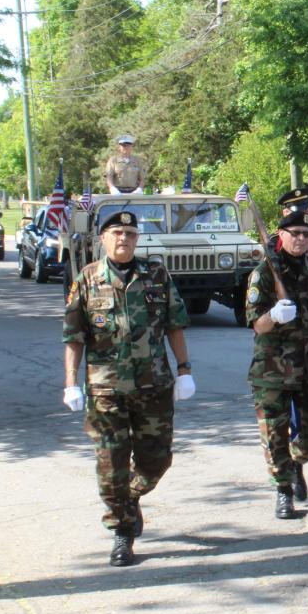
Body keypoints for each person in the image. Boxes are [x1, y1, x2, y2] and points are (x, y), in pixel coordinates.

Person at [62, 210, 194, 566]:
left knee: (157, 460)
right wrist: (70, 383)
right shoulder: (87, 279)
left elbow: (174, 324)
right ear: (103, 238)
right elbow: (74, 337)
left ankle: (130, 496)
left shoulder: (156, 275)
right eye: (117, 232)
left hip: (154, 386)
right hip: (106, 390)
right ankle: (121, 531)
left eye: (131, 234)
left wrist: (184, 370)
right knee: (110, 465)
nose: (124, 239)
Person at [245, 209, 308, 518]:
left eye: (306, 234)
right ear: (281, 235)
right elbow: (256, 324)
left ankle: (293, 463)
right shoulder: (264, 273)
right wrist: (274, 315)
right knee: (274, 433)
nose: (301, 239)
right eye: (295, 233)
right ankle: (283, 490)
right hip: (273, 369)